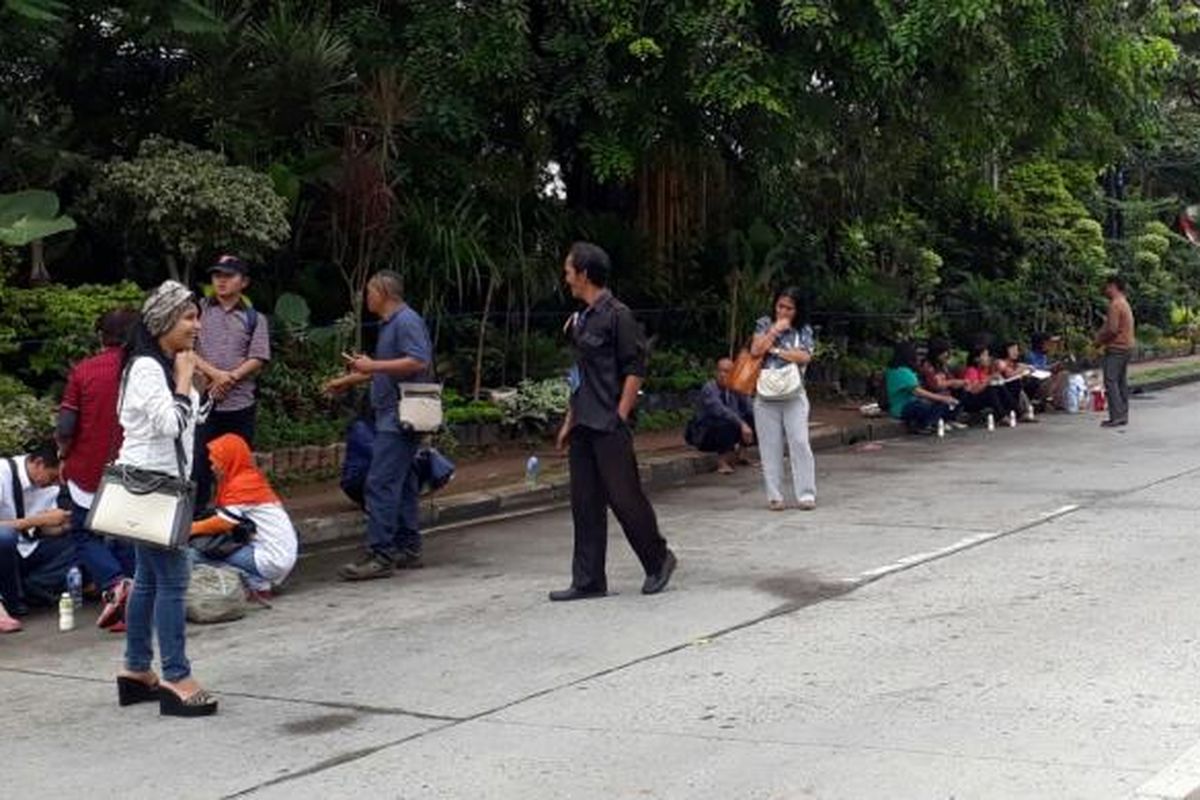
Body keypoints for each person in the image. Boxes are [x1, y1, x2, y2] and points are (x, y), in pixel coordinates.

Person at [548, 242, 676, 601]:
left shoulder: (619, 315)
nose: (567, 277)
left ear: (585, 274)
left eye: (569, 270)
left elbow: (635, 368)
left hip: (608, 421)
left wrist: (620, 412)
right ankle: (588, 579)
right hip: (584, 421)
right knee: (584, 501)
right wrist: (569, 419)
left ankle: (657, 559)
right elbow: (581, 374)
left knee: (623, 496)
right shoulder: (581, 319)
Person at [115, 280, 217, 717]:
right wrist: (183, 380)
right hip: (153, 487)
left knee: (149, 578)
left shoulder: (162, 364)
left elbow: (186, 419)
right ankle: (176, 676)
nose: (196, 324)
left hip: (155, 484)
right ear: (163, 322)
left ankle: (137, 669)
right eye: (188, 317)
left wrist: (198, 388)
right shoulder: (146, 368)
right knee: (172, 580)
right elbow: (169, 424)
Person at [325, 270, 433, 579]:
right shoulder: (392, 324)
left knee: (381, 482)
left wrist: (373, 365)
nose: (366, 298)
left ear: (384, 292)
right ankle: (407, 546)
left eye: (370, 291)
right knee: (404, 481)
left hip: (398, 416)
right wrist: (349, 379)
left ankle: (381, 553)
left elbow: (418, 360)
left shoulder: (405, 322)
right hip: (393, 413)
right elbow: (387, 369)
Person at [57, 307, 139, 631]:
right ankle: (133, 603)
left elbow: (66, 425)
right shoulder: (144, 369)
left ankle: (115, 584)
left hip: (87, 468)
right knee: (128, 533)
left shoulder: (84, 371)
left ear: (101, 336)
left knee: (84, 533)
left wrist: (64, 454)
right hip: (132, 465)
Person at [193, 255, 271, 509]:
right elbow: (186, 349)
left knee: (237, 467)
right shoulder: (198, 310)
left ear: (244, 282)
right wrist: (215, 374)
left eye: (228, 276)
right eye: (217, 276)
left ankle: (234, 515)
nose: (221, 281)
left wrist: (230, 378)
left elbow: (258, 356)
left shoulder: (254, 318)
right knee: (199, 465)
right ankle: (197, 519)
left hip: (239, 404)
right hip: (204, 402)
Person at [190, 434, 297, 599]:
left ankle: (254, 582)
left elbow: (224, 523)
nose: (212, 467)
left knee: (193, 556)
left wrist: (189, 530)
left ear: (228, 460)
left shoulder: (242, 484)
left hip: (271, 558)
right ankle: (259, 583)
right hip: (277, 553)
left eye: (215, 462)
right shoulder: (249, 479)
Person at [749, 287, 817, 511]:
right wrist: (774, 331)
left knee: (799, 442)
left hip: (793, 393)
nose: (784, 311)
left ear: (797, 310)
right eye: (780, 306)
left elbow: (804, 356)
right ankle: (774, 495)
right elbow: (756, 350)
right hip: (765, 394)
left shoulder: (803, 330)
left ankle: (806, 494)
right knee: (769, 446)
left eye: (789, 308)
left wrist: (777, 351)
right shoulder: (764, 323)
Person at [0, 442, 72, 632]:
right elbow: (29, 523)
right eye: (53, 476)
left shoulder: (49, 487)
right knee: (5, 537)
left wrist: (61, 526)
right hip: (6, 548)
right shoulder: (2, 473)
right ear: (39, 463)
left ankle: (32, 588)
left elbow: (38, 530)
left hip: (27, 548)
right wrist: (38, 519)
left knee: (80, 540)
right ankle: (17, 597)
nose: (54, 483)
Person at [685, 357, 754, 474]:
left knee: (752, 418)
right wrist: (742, 424)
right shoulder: (709, 388)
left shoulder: (734, 388)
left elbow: (749, 408)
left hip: (728, 430)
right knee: (725, 421)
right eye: (720, 371)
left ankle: (742, 454)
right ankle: (722, 462)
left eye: (727, 372)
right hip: (705, 433)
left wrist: (743, 388)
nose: (722, 375)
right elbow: (720, 411)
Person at [885, 342, 957, 434]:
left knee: (938, 403)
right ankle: (924, 425)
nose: (917, 357)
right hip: (903, 407)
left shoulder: (897, 369)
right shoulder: (901, 371)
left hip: (910, 404)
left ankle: (931, 422)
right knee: (929, 405)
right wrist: (942, 398)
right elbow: (917, 391)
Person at [1095, 275, 1135, 428]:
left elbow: (1112, 329)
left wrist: (1099, 341)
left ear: (1113, 286)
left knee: (1111, 381)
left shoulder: (1115, 305)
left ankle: (1116, 416)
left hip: (1117, 348)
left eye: (1107, 287)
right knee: (1120, 381)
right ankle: (1122, 414)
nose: (1106, 290)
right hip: (1126, 346)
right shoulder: (1124, 303)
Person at [959, 343, 1019, 422]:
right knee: (991, 390)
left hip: (983, 396)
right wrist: (989, 379)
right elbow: (974, 390)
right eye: (985, 356)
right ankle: (1002, 416)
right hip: (972, 400)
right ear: (976, 359)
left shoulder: (985, 369)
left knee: (1001, 387)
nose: (988, 358)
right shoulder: (971, 371)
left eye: (987, 355)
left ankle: (1016, 411)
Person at [1024, 332, 1069, 410]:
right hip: (1035, 382)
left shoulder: (1044, 356)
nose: (1049, 346)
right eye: (1047, 344)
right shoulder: (1030, 355)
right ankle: (1045, 400)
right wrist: (1051, 367)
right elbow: (1036, 369)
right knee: (1048, 379)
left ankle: (1058, 401)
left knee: (1063, 374)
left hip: (1046, 377)